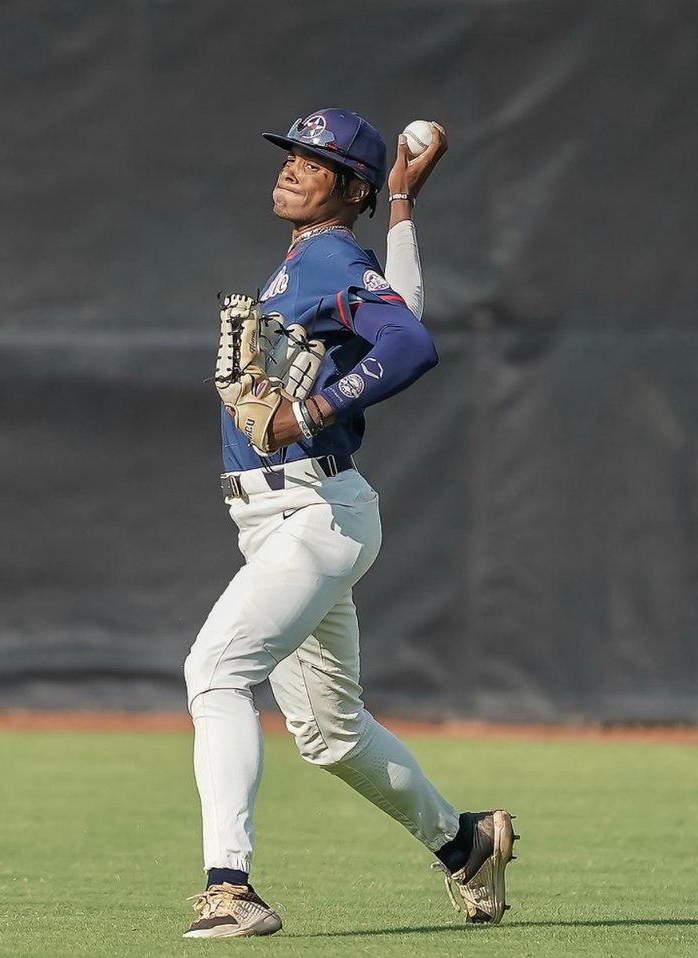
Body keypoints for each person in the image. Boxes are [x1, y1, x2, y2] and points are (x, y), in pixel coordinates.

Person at [182, 108, 516, 939]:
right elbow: (404, 310)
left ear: (348, 187)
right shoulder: (312, 260)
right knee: (330, 734)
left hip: (311, 511)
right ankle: (465, 842)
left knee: (215, 672)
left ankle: (230, 889)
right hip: (289, 518)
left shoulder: (329, 257)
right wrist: (402, 204)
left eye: (315, 160)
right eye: (291, 153)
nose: (293, 166)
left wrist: (311, 410)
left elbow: (409, 342)